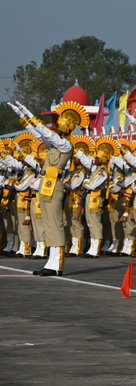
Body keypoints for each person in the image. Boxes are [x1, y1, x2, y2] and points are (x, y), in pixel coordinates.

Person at [9, 99, 89, 276]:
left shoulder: (66, 145)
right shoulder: (55, 144)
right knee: (47, 224)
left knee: (55, 224)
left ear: (68, 127)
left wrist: (32, 115)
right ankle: (50, 262)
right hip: (46, 184)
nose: (57, 126)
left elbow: (47, 134)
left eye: (61, 123)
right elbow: (40, 135)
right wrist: (23, 117)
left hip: (55, 185)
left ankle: (57, 264)